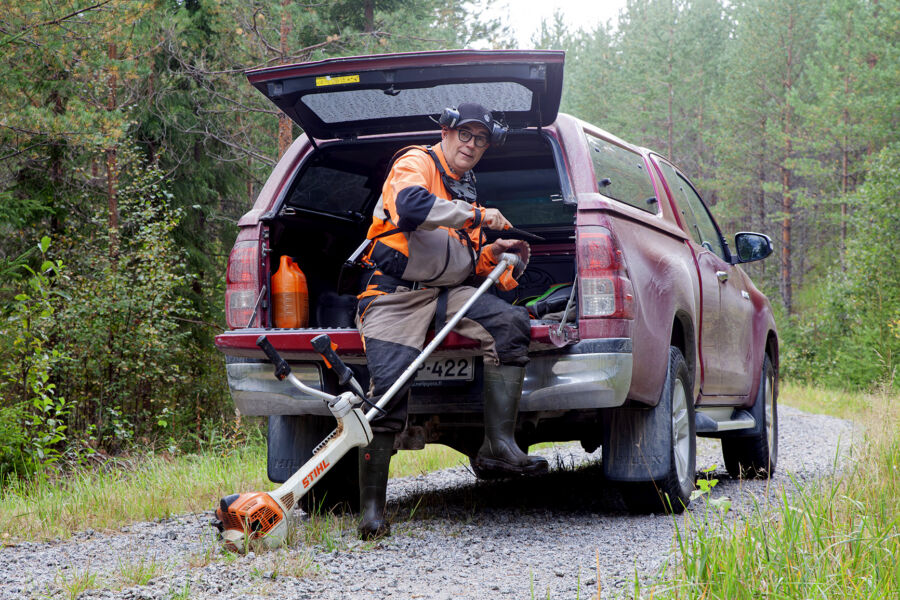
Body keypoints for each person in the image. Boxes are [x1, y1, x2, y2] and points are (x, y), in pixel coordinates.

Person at [353, 102, 548, 540]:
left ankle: (499, 446)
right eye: (466, 135)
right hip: (394, 295)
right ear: (446, 130)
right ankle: (372, 511)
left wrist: (494, 255)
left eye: (481, 139)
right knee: (386, 395)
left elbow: (463, 257)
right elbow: (412, 206)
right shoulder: (415, 162)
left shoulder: (467, 186)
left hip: (447, 293)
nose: (473, 145)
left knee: (509, 323)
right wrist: (479, 216)